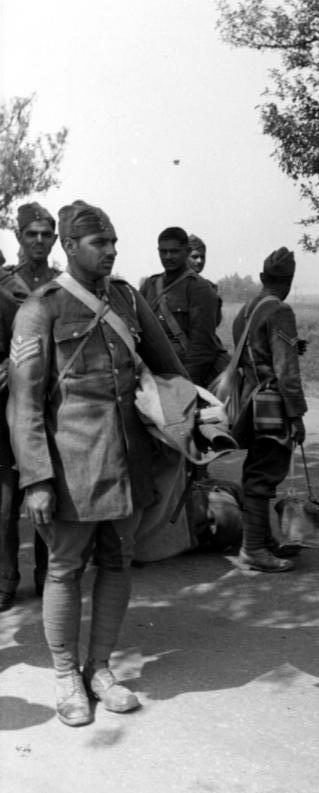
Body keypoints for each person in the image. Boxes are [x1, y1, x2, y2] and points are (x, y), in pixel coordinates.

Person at [7, 200, 187, 727]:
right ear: (71, 247)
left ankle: (100, 669)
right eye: (98, 243)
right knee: (63, 568)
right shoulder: (41, 309)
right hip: (72, 467)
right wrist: (36, 479)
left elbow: (168, 369)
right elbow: (23, 405)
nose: (110, 251)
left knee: (118, 563)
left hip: (128, 461)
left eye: (112, 242)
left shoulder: (129, 299)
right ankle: (66, 677)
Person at [0, 202, 61, 602]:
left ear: (55, 238)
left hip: (53, 398)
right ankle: (5, 581)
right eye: (31, 233)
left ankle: (47, 576)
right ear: (19, 237)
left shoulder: (65, 284)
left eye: (45, 233)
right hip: (8, 402)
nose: (38, 240)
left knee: (50, 491)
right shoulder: (4, 285)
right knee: (5, 499)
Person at [233, 246, 307, 573]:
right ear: (289, 281)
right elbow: (286, 371)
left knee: (256, 468)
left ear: (263, 277)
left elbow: (253, 355)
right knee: (264, 473)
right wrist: (297, 415)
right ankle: (254, 549)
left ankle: (260, 541)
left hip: (248, 400)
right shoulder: (280, 311)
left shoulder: (246, 310)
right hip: (272, 404)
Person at [140, 227, 227, 387]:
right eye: (163, 252)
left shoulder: (199, 288)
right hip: (156, 376)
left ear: (186, 251)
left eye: (174, 251)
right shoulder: (150, 285)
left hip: (186, 377)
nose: (168, 257)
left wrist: (187, 388)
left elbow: (202, 348)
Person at [186, 233, 230, 380]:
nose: (199, 261)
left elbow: (213, 324)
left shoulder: (210, 288)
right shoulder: (164, 286)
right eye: (195, 256)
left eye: (203, 257)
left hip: (205, 352)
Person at [0, 286, 20, 611]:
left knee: (3, 509)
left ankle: (4, 579)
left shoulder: (5, 303)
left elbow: (20, 353)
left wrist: (7, 367)